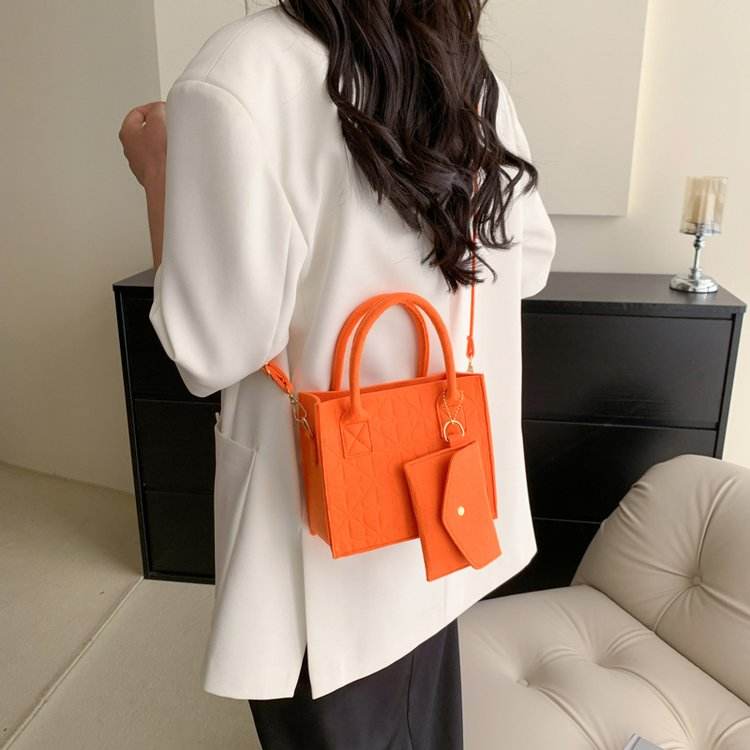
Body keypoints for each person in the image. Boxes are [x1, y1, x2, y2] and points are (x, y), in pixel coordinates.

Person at [118, 2, 556, 748]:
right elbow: (531, 260)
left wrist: (159, 170)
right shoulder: (454, 62)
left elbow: (207, 349)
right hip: (444, 514)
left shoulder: (239, 70)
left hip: (321, 546)